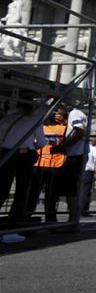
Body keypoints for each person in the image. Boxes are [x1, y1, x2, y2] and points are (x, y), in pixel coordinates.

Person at [0, 99, 46, 236]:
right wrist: (34, 146)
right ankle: (15, 218)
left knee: (2, 187)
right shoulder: (34, 120)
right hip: (24, 155)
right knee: (22, 188)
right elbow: (42, 142)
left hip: (6, 153)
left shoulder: (6, 119)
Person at [27, 109, 67, 222]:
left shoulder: (38, 128)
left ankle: (26, 216)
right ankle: (51, 218)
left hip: (39, 164)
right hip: (55, 165)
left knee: (33, 193)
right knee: (51, 195)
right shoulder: (62, 129)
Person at [51, 101, 88, 223]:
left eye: (58, 107)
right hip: (74, 154)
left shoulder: (74, 113)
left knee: (71, 187)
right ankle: (73, 217)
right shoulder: (74, 114)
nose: (56, 110)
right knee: (69, 187)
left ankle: (73, 218)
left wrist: (65, 145)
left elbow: (80, 131)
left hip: (75, 155)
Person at [81, 138, 96, 216]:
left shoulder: (83, 148)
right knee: (86, 192)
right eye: (93, 140)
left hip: (81, 171)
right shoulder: (93, 149)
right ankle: (84, 210)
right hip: (89, 171)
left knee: (80, 191)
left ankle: (77, 209)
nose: (95, 142)